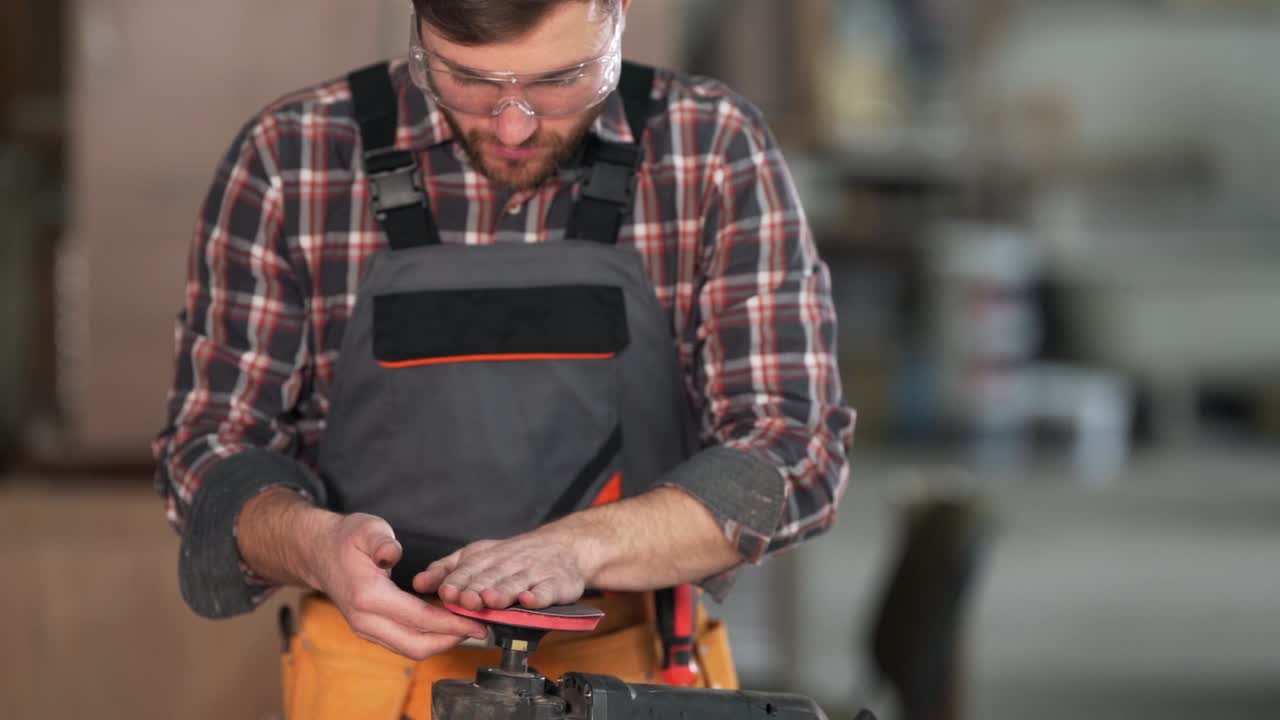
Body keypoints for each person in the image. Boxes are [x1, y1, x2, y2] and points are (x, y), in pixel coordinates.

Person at [152, 0, 854, 716]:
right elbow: (208, 454)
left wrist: (583, 546)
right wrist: (311, 544)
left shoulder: (711, 148)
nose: (513, 125)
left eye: (560, 81)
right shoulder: (290, 158)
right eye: (464, 79)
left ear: (616, 13)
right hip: (374, 686)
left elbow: (795, 449)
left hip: (634, 685)